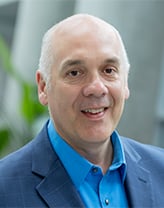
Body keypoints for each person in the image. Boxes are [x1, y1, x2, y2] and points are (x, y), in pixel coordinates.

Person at [0, 13, 163, 208]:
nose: (96, 88)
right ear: (43, 87)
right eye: (75, 73)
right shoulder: (5, 189)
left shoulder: (160, 170)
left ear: (125, 82)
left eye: (109, 70)